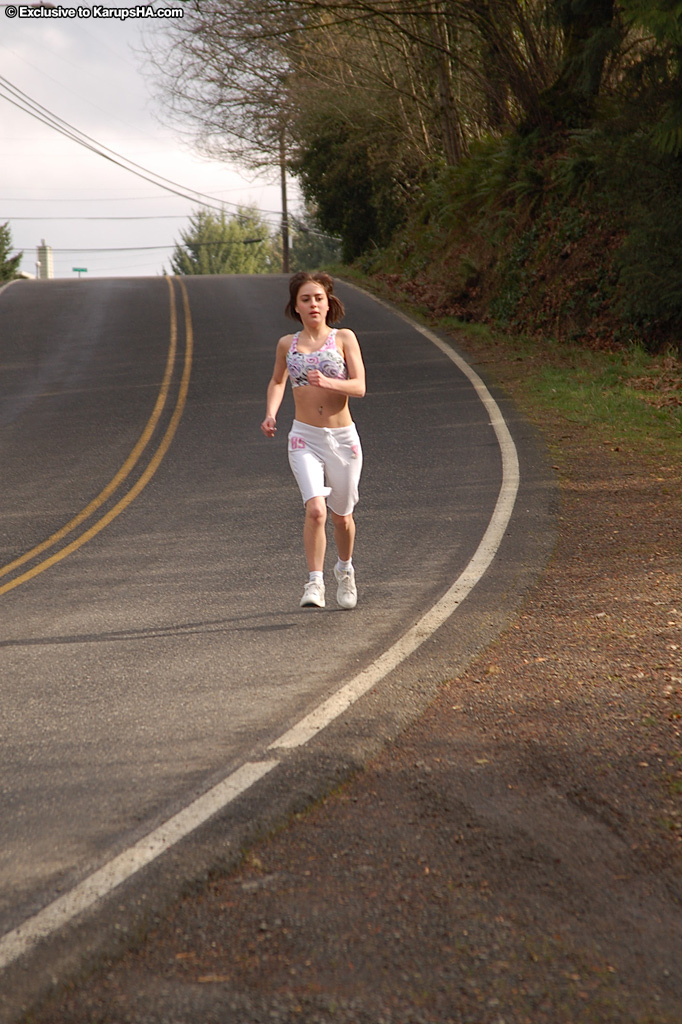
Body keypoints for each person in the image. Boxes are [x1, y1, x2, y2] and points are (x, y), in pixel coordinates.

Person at [261, 271, 366, 609]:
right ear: (296, 306)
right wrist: (271, 413)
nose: (313, 304)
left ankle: (345, 570)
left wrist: (331, 383)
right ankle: (314, 582)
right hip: (304, 436)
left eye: (318, 298)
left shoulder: (344, 339)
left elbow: (360, 387)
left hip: (342, 437)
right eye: (305, 299)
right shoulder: (286, 344)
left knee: (342, 517)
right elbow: (278, 381)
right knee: (316, 511)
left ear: (328, 302)